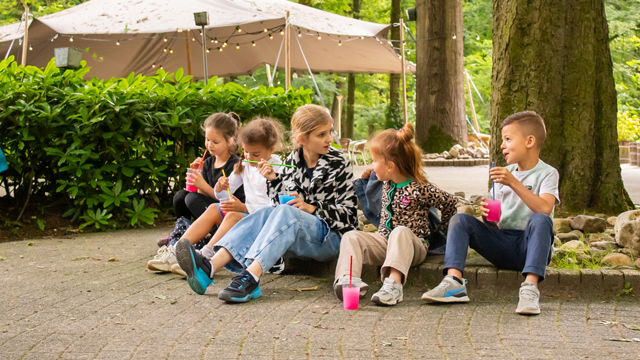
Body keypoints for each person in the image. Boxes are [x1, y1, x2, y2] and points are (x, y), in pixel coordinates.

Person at [175, 104, 358, 301]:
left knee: (285, 213)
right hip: (296, 234)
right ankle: (209, 267)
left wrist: (312, 208)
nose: (329, 138)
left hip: (330, 236)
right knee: (264, 213)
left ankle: (251, 276)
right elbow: (278, 206)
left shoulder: (339, 163)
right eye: (321, 134)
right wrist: (274, 180)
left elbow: (350, 216)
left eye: (329, 132)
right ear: (302, 139)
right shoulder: (292, 161)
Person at [422, 110, 559, 315]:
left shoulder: (547, 173)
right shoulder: (506, 174)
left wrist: (513, 183)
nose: (502, 145)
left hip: (530, 246)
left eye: (508, 139)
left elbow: (545, 208)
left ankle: (530, 288)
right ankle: (454, 282)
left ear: (529, 141)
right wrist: (487, 216)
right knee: (461, 219)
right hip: (502, 243)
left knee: (541, 220)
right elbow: (494, 221)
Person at [334, 123, 457, 306]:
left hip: (413, 246)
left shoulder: (420, 188)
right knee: (351, 237)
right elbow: (372, 192)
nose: (372, 165)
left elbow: (449, 201)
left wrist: (445, 228)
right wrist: (368, 178)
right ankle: (347, 279)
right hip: (385, 242)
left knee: (400, 231)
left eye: (374, 161)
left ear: (390, 166)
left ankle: (394, 285)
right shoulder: (387, 183)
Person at [169, 118, 284, 276]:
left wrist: (244, 207)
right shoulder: (244, 164)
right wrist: (221, 186)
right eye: (245, 152)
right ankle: (176, 251)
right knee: (213, 208)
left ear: (271, 149)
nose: (249, 157)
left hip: (262, 220)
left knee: (231, 215)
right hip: (247, 213)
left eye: (255, 154)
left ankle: (204, 257)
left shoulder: (277, 167)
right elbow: (221, 196)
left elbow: (277, 206)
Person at [148, 112, 245, 272]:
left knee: (192, 198)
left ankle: (201, 239)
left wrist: (203, 185)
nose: (210, 145)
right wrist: (197, 173)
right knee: (181, 196)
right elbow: (200, 194)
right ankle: (180, 236)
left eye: (215, 141)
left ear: (229, 141)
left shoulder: (234, 165)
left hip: (228, 213)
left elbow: (224, 198)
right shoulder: (208, 163)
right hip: (209, 207)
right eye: (207, 140)